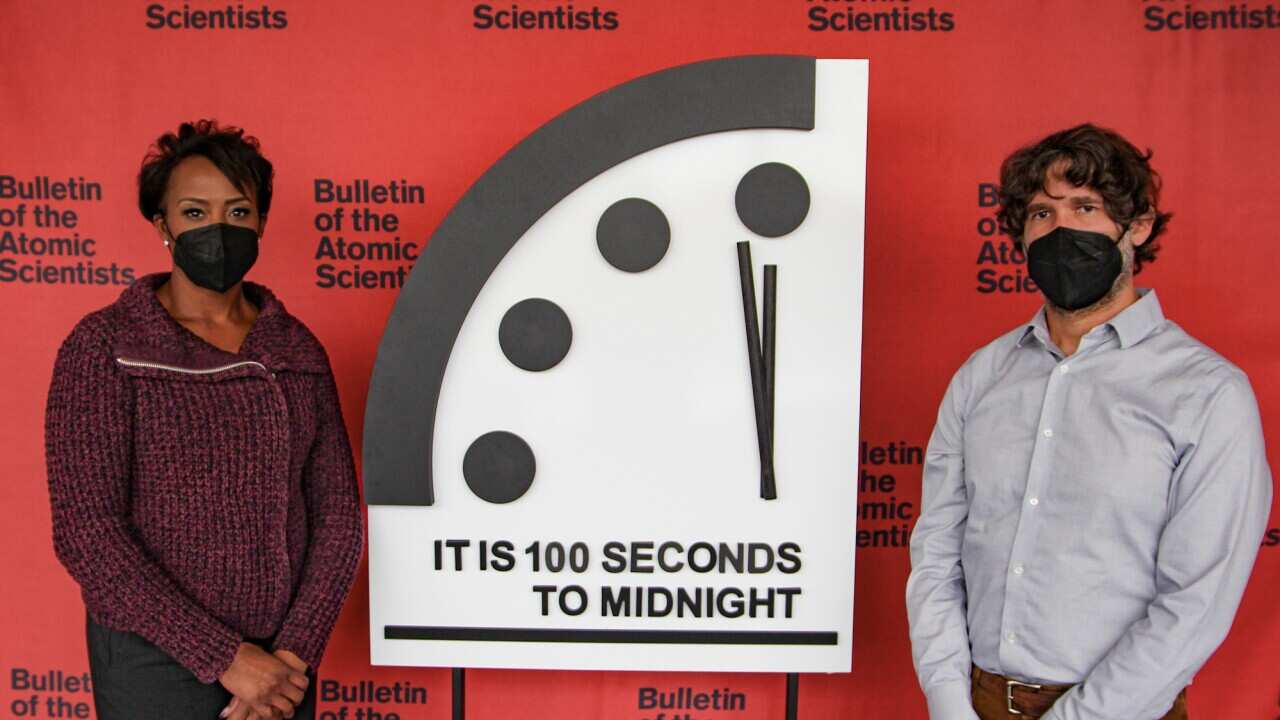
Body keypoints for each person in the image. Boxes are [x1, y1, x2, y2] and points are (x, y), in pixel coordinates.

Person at [905, 123, 1272, 720]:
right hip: (978, 703)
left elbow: (1197, 599)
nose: (1061, 230)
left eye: (1085, 208)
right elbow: (938, 552)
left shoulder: (1206, 391)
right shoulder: (982, 376)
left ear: (1139, 227)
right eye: (1041, 214)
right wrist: (950, 702)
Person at [45, 120, 365, 720]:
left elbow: (339, 520)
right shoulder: (106, 346)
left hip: (282, 665)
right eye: (195, 212)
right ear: (164, 225)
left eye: (238, 211)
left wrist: (292, 656)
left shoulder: (296, 350)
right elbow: (87, 531)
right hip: (153, 660)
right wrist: (225, 659)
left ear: (262, 222)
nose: (218, 229)